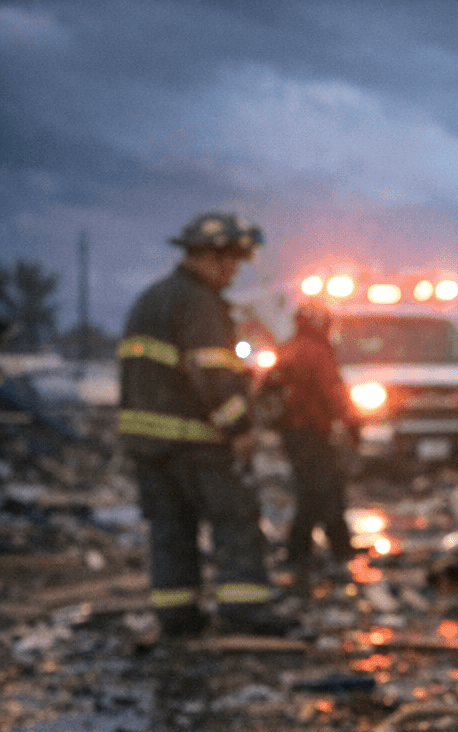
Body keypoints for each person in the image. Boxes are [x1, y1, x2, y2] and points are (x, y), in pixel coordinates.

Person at [117, 211, 293, 638]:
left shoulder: (151, 299)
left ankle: (177, 617)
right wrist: (240, 429)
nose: (232, 270)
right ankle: (244, 611)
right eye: (226, 260)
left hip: (147, 445)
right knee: (235, 519)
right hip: (195, 442)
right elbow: (212, 373)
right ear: (203, 257)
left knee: (171, 530)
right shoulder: (200, 303)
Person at [261, 300, 360, 574]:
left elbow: (265, 391)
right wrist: (352, 423)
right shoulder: (318, 351)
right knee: (324, 488)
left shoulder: (287, 349)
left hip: (292, 433)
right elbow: (334, 389)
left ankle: (319, 547)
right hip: (312, 431)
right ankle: (316, 549)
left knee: (314, 487)